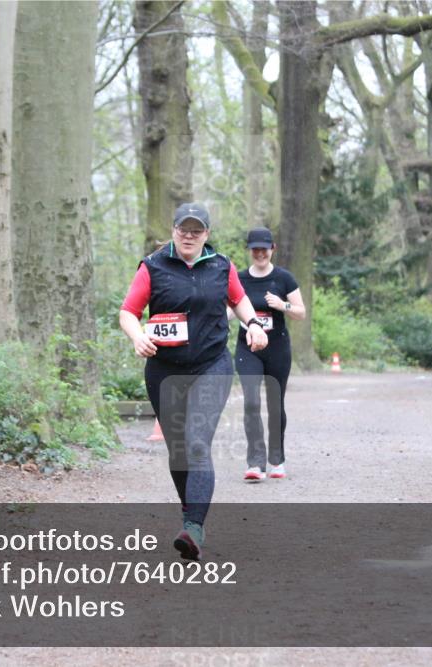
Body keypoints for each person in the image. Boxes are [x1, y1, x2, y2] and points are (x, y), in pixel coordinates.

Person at [119, 203, 268, 561]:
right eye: (183, 229)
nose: (189, 235)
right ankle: (192, 514)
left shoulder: (221, 266)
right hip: (164, 369)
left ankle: (194, 526)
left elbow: (240, 300)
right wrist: (137, 336)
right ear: (173, 231)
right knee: (179, 450)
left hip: (211, 365)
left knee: (197, 441)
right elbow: (128, 311)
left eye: (196, 230)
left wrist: (254, 325)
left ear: (207, 234)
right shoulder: (153, 266)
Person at [231, 227, 305, 482]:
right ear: (250, 251)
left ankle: (277, 460)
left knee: (275, 405)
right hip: (248, 348)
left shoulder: (284, 278)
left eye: (265, 248)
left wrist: (281, 305)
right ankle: (255, 462)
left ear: (273, 248)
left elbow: (300, 312)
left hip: (277, 349)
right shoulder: (239, 279)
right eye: (255, 249)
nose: (260, 253)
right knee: (251, 402)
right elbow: (229, 309)